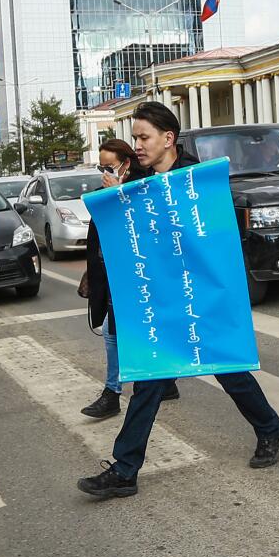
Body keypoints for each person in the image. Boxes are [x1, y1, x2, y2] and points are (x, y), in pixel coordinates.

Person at [77, 102, 279, 499]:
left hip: (200, 297)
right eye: (136, 137)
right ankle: (125, 469)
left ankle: (270, 430)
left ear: (168, 139)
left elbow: (214, 240)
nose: (137, 145)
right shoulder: (137, 183)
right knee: (148, 384)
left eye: (144, 137)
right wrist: (118, 201)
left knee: (229, 371)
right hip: (161, 304)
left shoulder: (197, 182)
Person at [81, 139, 179, 419]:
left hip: (140, 275)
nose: (105, 172)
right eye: (101, 166)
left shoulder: (140, 187)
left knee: (119, 331)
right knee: (118, 330)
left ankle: (114, 393)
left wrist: (119, 194)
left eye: (109, 165)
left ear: (125, 162)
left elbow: (144, 228)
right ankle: (162, 383)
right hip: (114, 271)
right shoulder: (111, 188)